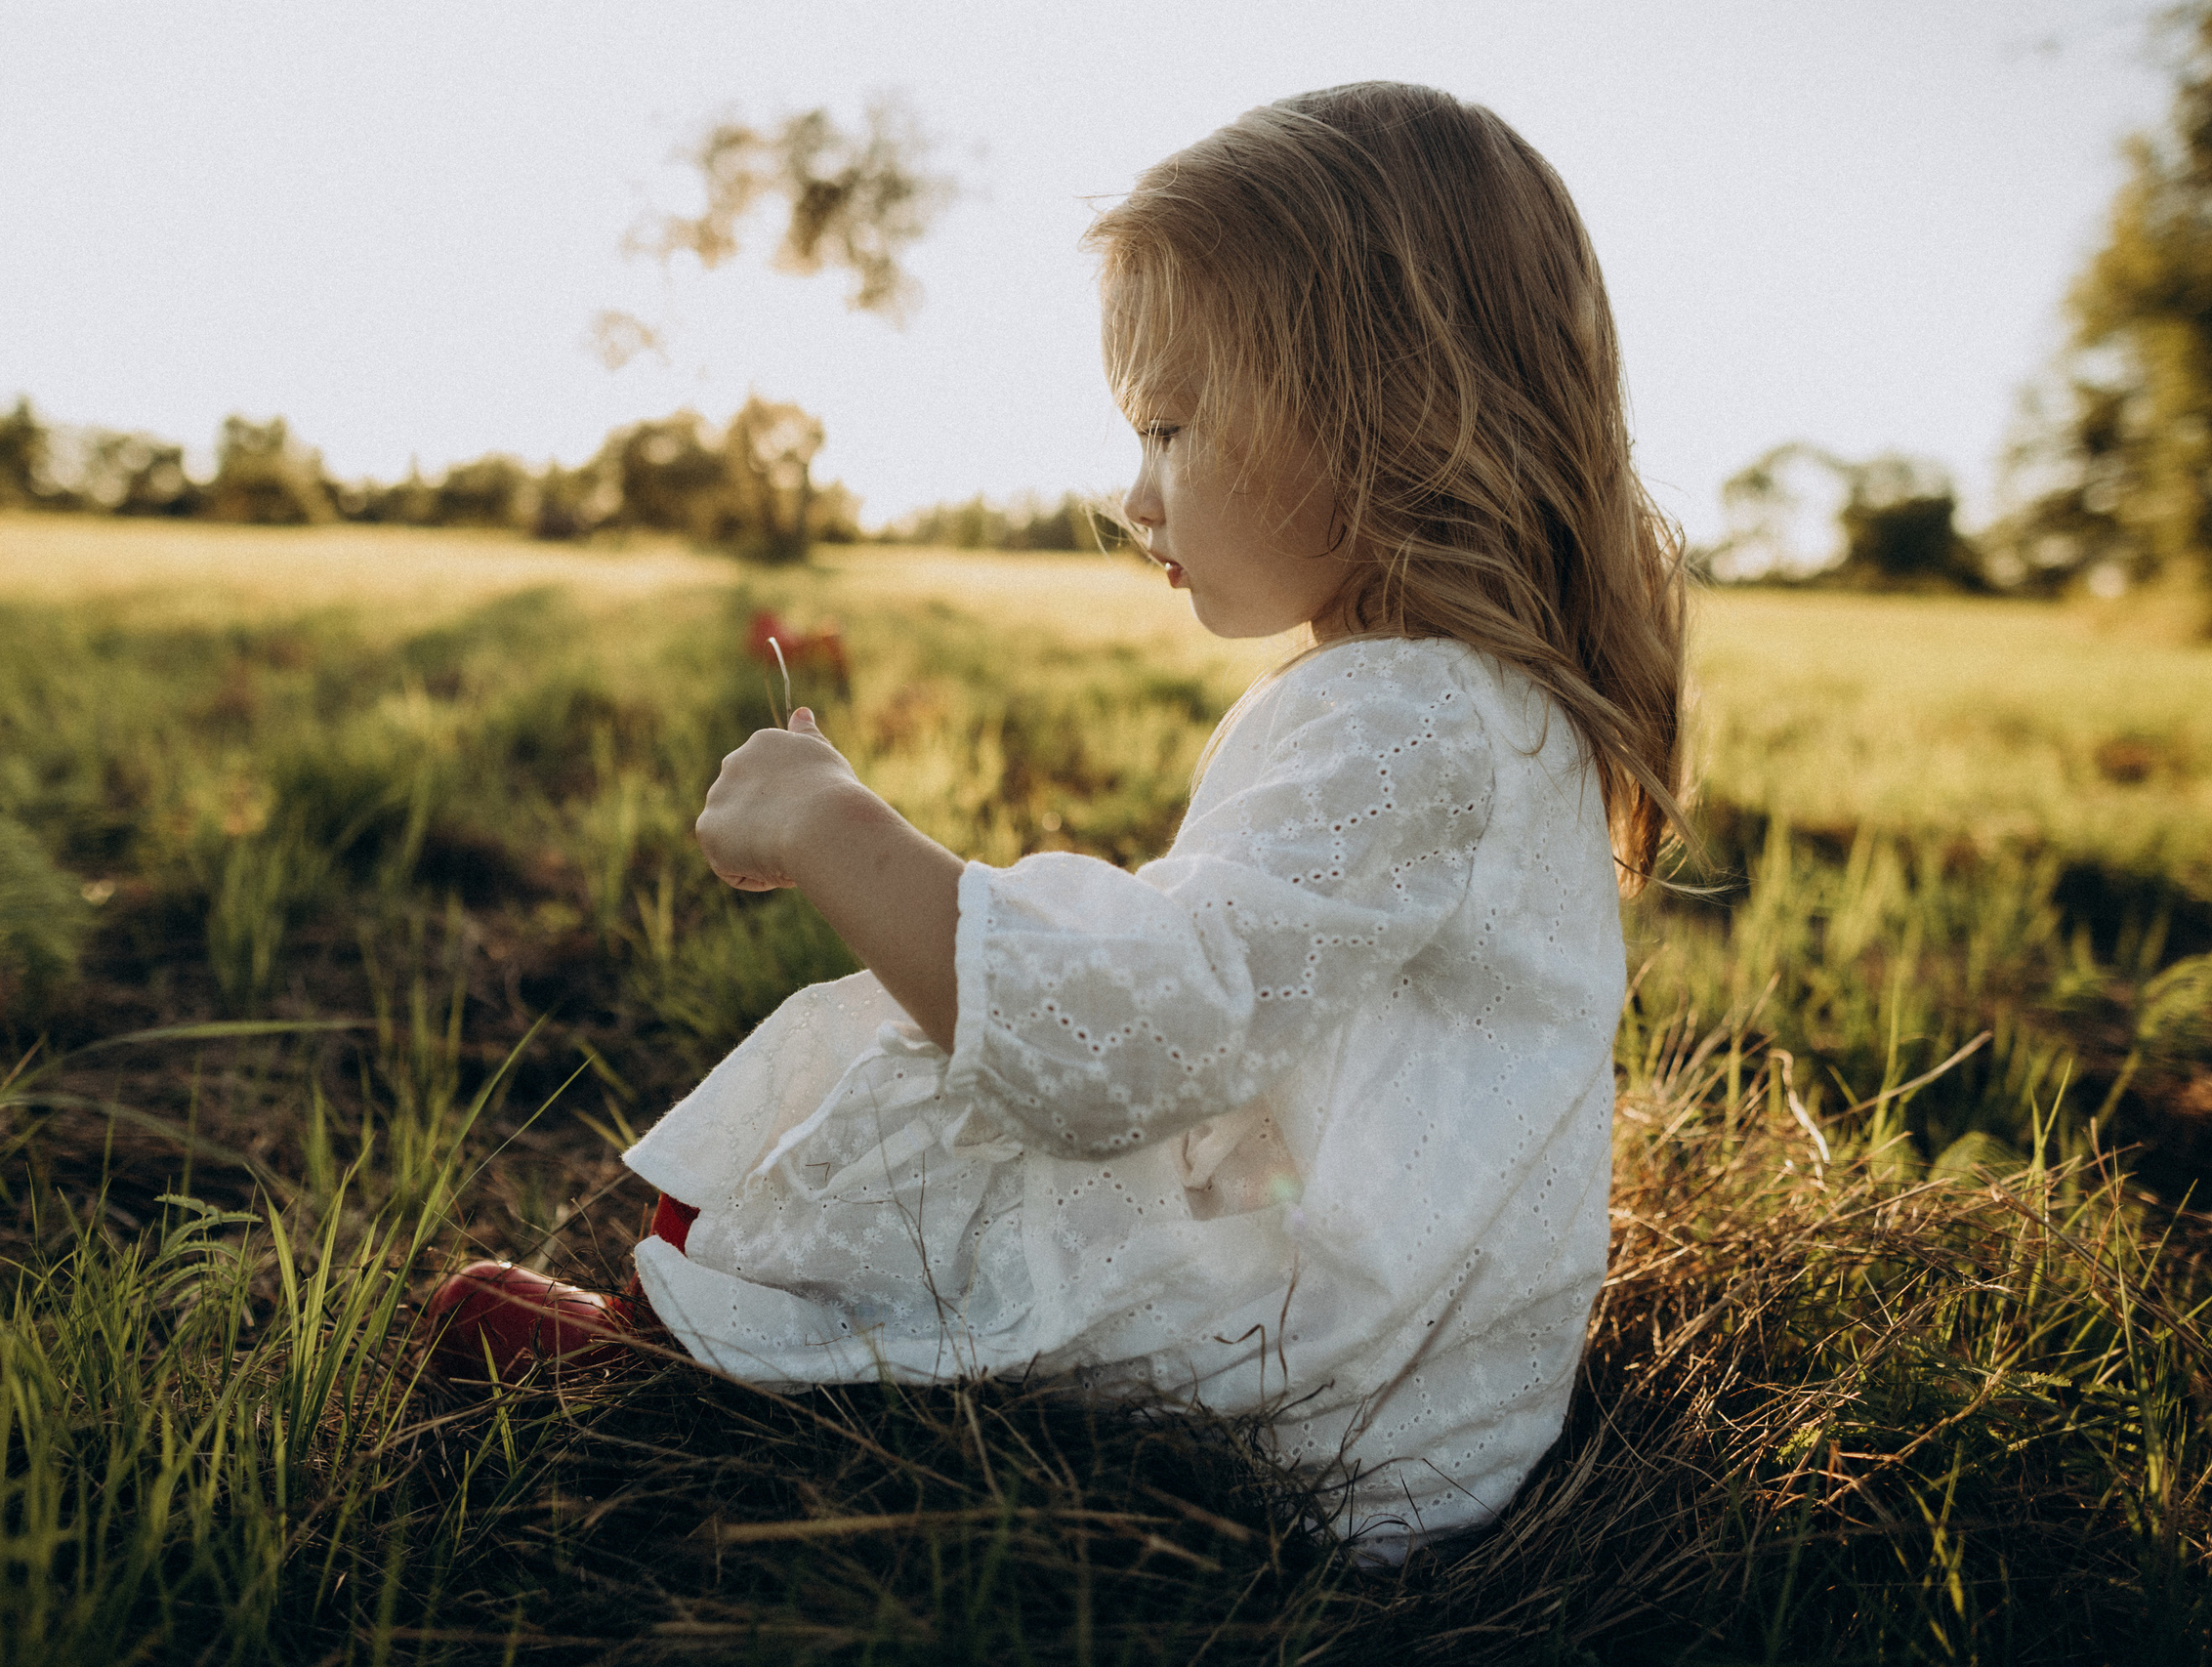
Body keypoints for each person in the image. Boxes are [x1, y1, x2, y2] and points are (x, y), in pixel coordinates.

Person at [447, 80, 1688, 1565]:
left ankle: (676, 1359)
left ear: (1386, 415)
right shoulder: (1482, 704)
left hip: (1327, 1397)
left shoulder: (1408, 713)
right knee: (983, 1026)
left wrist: (836, 830)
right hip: (1435, 1404)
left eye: (1170, 426)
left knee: (950, 1067)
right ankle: (714, 1315)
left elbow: (1128, 1048)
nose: (1136, 494)